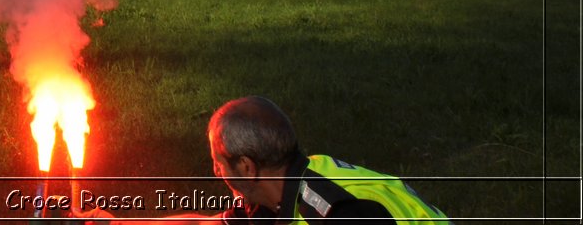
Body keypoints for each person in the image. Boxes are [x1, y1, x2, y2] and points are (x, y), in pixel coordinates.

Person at [75, 96, 451, 223]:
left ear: (246, 167)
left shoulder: (335, 212)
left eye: (217, 162)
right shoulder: (276, 191)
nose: (214, 171)